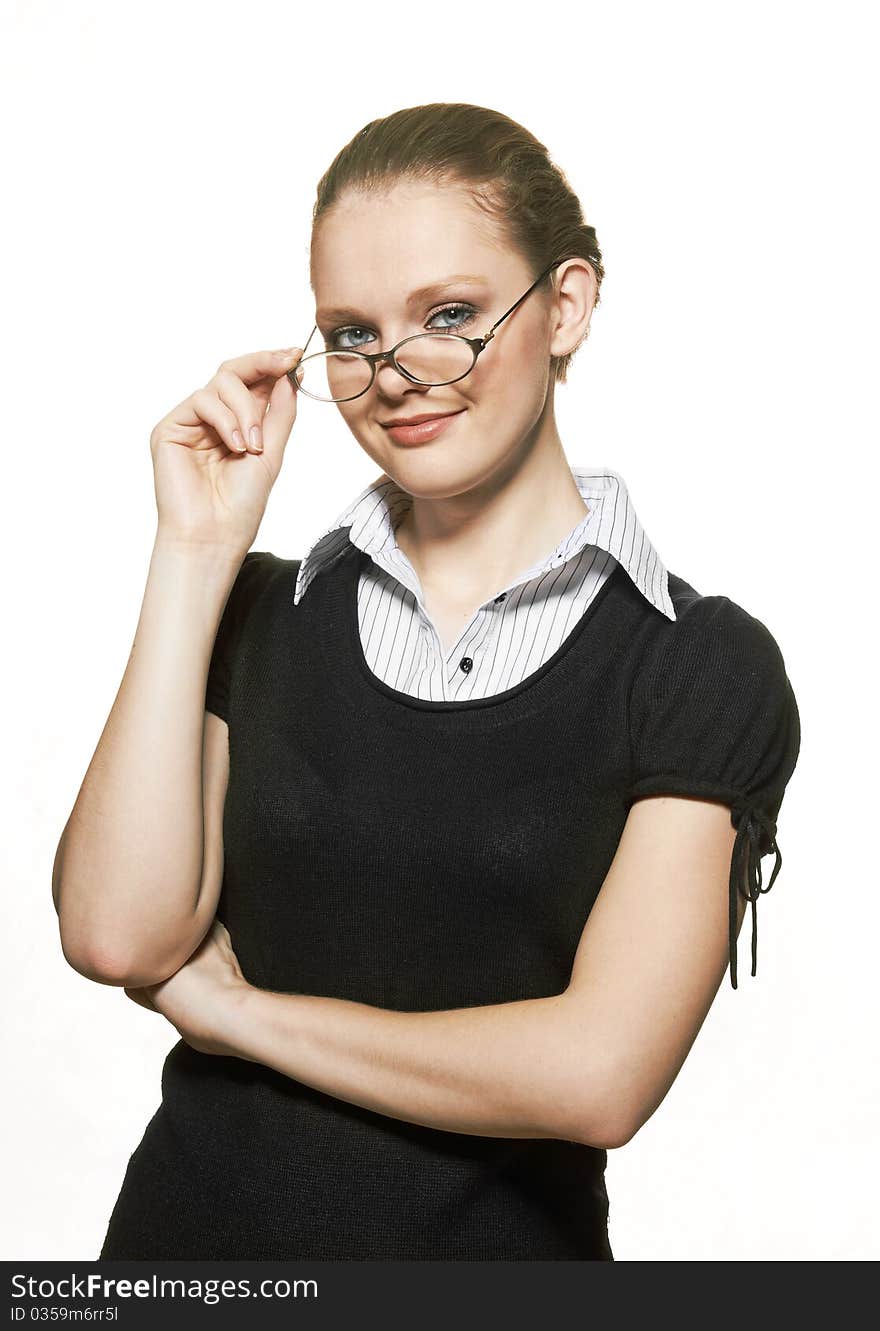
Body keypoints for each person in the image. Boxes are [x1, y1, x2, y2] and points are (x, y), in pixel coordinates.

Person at [53, 103, 800, 1261]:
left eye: (448, 316)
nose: (397, 373)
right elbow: (115, 934)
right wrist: (194, 553)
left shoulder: (692, 664)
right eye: (350, 333)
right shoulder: (255, 609)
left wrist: (241, 1017)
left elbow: (598, 1075)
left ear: (566, 306)